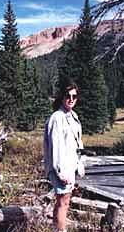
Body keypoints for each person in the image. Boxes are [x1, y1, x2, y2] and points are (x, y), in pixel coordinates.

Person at [43, 82, 85, 232]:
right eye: (68, 96)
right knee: (63, 202)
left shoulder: (73, 116)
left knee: (65, 202)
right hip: (61, 168)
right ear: (62, 97)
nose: (71, 99)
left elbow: (77, 144)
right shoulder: (57, 118)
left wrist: (80, 164)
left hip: (70, 166)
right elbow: (56, 147)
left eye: (74, 96)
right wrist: (61, 173)